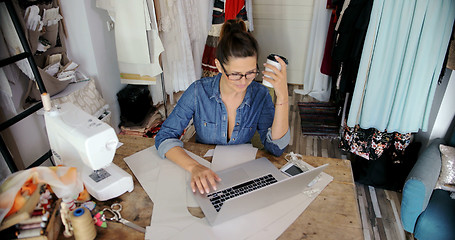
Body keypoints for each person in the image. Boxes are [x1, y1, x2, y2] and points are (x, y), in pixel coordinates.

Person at [155, 19, 290, 195]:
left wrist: (283, 96)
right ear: (218, 66)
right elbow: (164, 137)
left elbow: (276, 148)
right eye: (235, 74)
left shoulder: (260, 94)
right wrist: (195, 168)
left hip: (241, 174)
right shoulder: (198, 91)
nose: (244, 81)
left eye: (250, 73)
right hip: (203, 171)